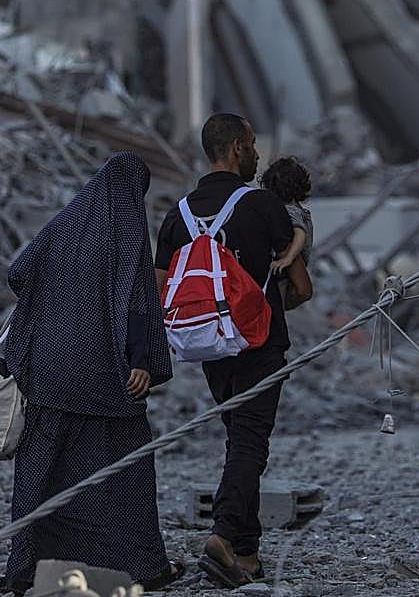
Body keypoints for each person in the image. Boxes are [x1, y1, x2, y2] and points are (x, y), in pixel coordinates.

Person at [0, 152, 184, 595]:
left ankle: (25, 570)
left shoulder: (66, 223)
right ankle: (144, 567)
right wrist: (141, 359)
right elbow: (138, 300)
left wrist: (55, 306)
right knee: (127, 471)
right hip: (100, 375)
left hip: (47, 372)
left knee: (43, 472)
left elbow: (18, 272)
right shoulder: (126, 225)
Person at [155, 114, 313, 588]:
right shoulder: (262, 204)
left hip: (208, 345)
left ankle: (246, 554)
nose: (259, 155)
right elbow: (302, 287)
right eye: (254, 145)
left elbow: (163, 288)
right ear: (239, 147)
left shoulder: (177, 213)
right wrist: (266, 302)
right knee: (250, 442)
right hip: (259, 342)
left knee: (238, 438)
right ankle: (224, 536)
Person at [260, 155, 315, 286]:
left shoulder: (289, 211)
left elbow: (300, 233)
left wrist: (288, 259)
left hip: (285, 270)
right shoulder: (299, 211)